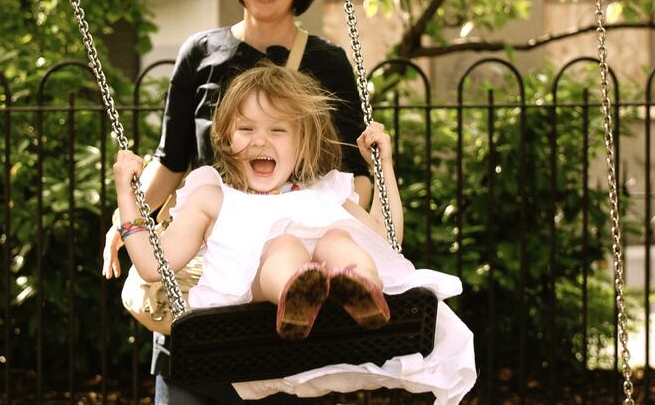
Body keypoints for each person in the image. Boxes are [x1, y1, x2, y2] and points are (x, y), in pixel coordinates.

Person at [114, 65, 476, 404]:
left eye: (277, 129)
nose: (260, 140)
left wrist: (384, 168)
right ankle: (299, 291)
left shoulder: (323, 192)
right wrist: (127, 196)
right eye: (246, 129)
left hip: (324, 322)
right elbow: (151, 265)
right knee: (285, 245)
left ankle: (360, 291)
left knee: (338, 240)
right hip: (247, 322)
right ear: (225, 137)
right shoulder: (214, 197)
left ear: (303, 141)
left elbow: (386, 241)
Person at [103, 0, 373, 402]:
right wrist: (124, 218)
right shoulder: (201, 52)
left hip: (294, 273)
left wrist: (348, 229)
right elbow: (172, 159)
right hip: (209, 261)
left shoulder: (328, 63)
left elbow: (353, 172)